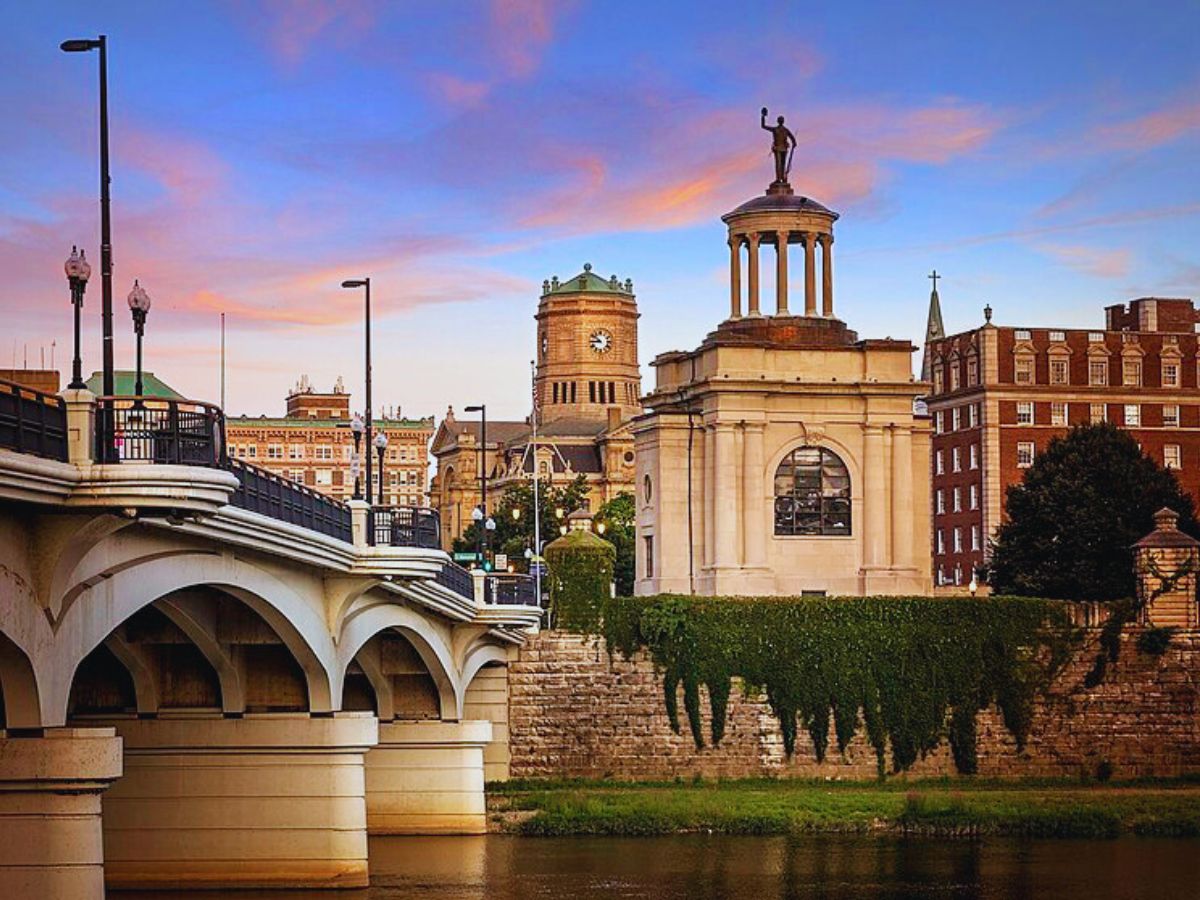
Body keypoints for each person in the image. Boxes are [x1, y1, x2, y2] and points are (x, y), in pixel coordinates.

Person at [761, 107, 796, 186]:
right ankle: (778, 179)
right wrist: (763, 117)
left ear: (782, 121)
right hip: (777, 149)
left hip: (783, 149)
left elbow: (792, 138)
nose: (780, 121)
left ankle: (783, 178)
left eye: (781, 120)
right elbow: (763, 126)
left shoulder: (785, 130)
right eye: (780, 120)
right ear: (778, 121)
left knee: (782, 164)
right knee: (778, 164)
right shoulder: (775, 129)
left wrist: (794, 143)